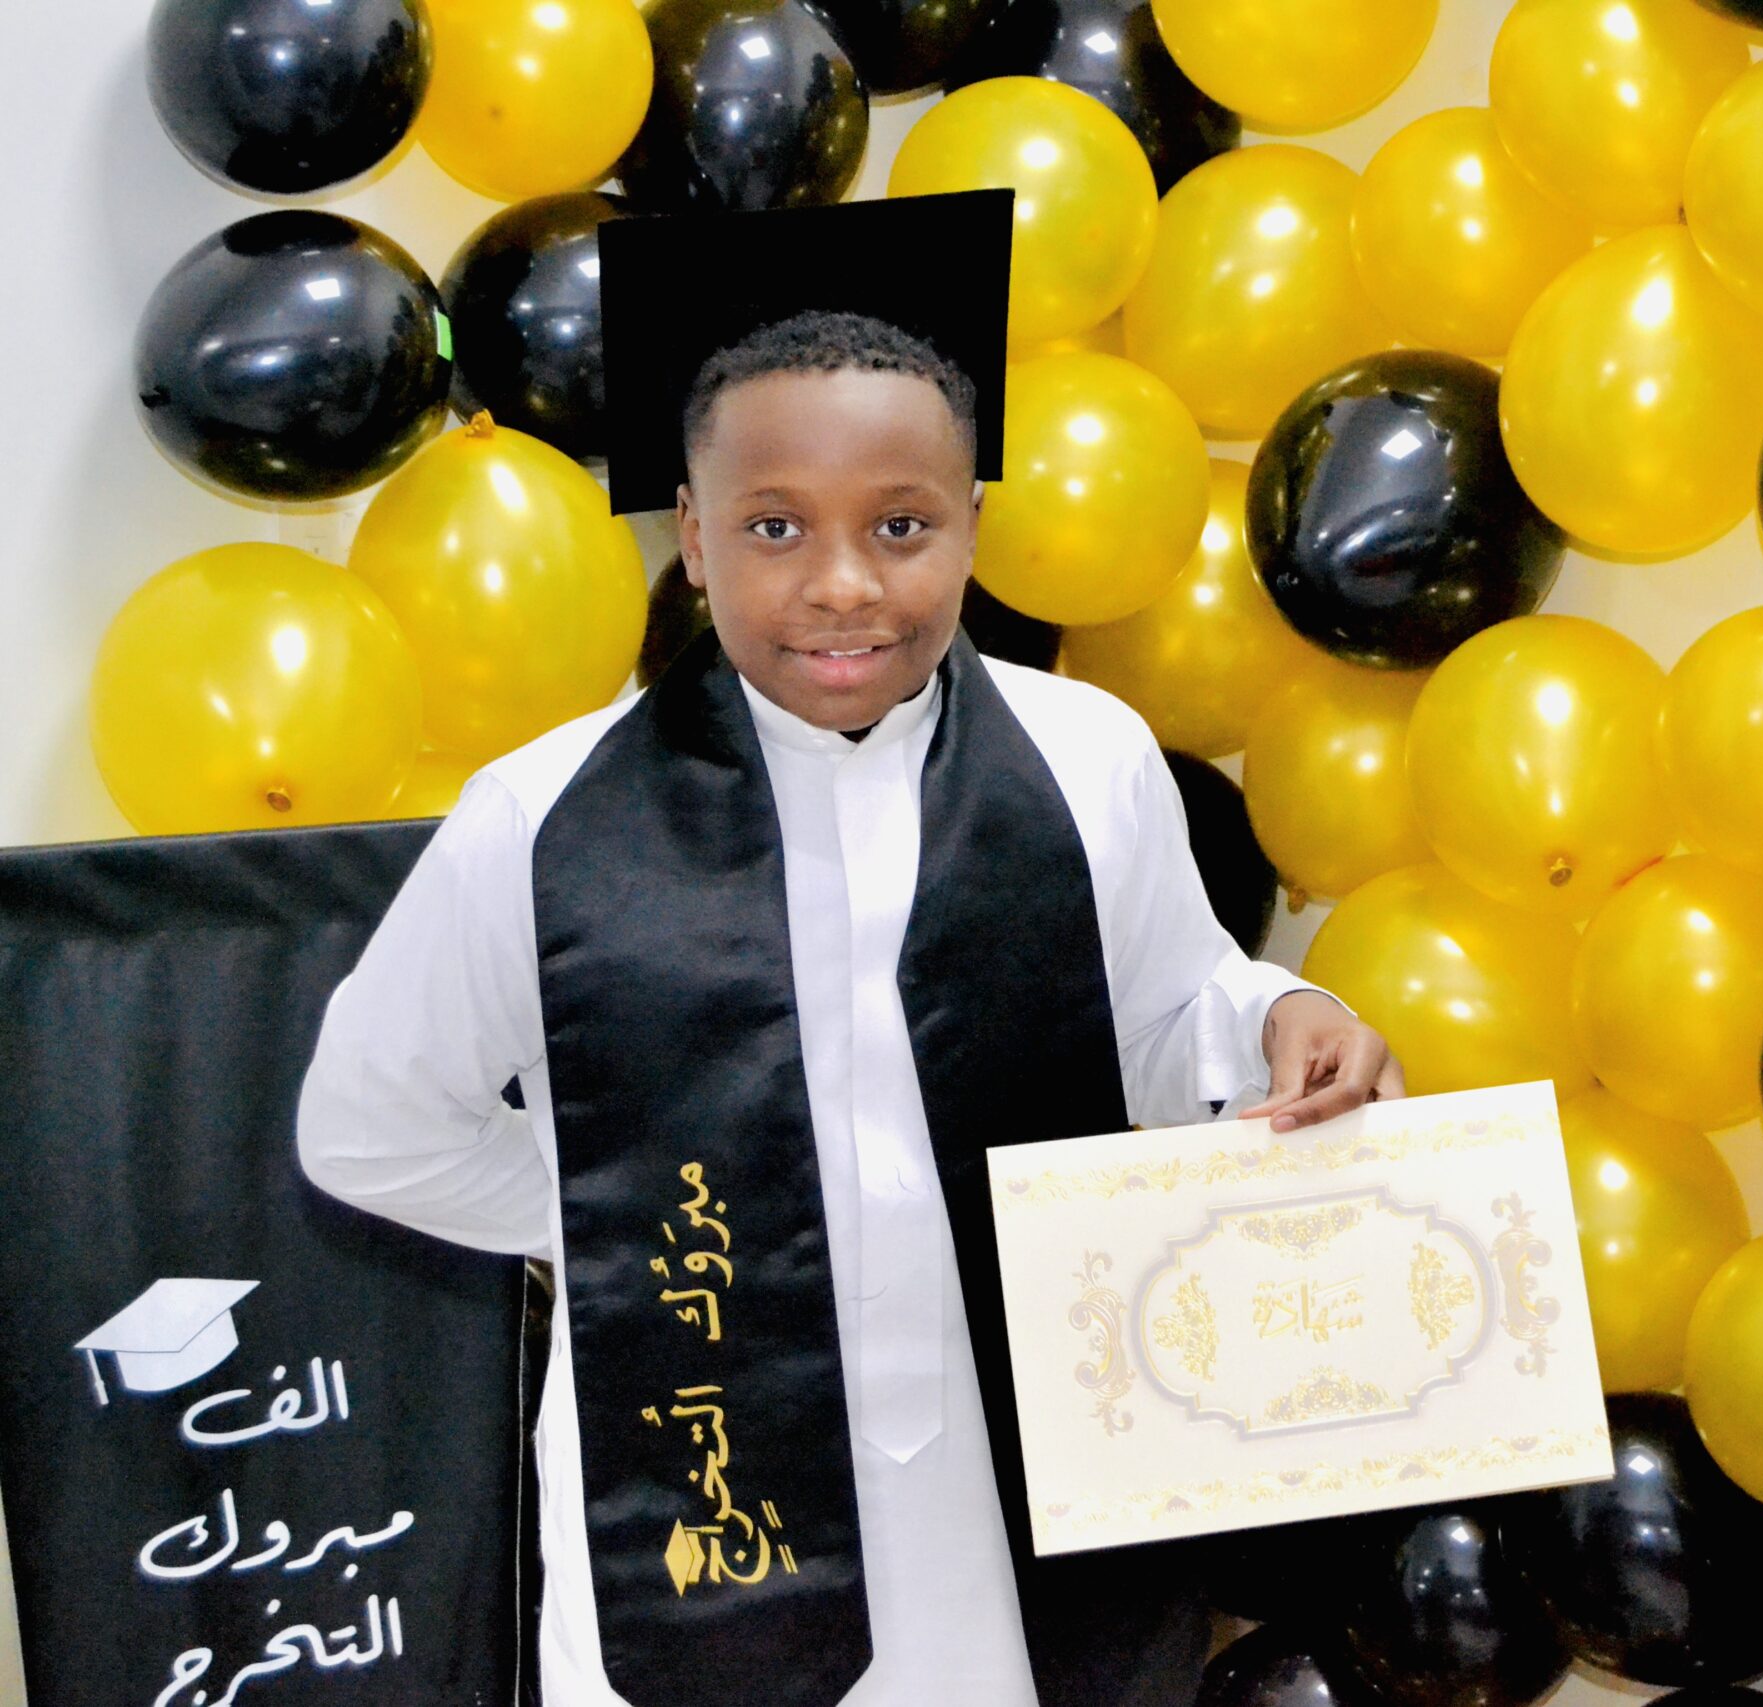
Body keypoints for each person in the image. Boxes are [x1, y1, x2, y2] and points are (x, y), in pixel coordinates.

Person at [296, 190, 1401, 1707]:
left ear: (973, 527)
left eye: (902, 525)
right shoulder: (538, 821)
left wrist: (1281, 1014)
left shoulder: (1086, 759)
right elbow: (368, 1129)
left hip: (1018, 1463)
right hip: (700, 1475)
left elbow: (1168, 1019)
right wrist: (621, 1208)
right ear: (692, 541)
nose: (843, 586)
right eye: (773, 528)